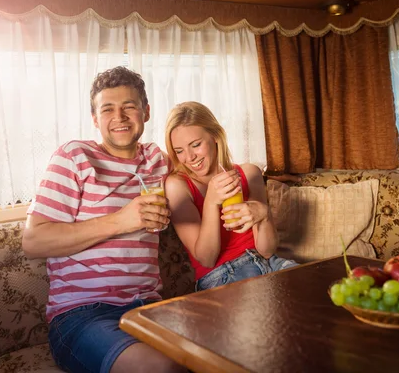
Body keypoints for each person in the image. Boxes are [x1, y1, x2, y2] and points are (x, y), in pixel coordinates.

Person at [23, 67, 185, 373]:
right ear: (95, 119)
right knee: (159, 370)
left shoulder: (157, 160)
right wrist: (121, 221)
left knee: (225, 352)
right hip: (83, 314)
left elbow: (202, 167)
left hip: (151, 307)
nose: (119, 117)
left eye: (129, 107)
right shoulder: (74, 157)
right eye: (107, 109)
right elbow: (33, 241)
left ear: (146, 112)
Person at [164, 101, 298, 292]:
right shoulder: (178, 186)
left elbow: (267, 251)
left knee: (317, 295)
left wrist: (264, 215)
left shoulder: (249, 173)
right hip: (223, 275)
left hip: (272, 264)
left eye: (195, 145)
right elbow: (206, 259)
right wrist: (211, 201)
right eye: (179, 151)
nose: (189, 157)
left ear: (215, 137)